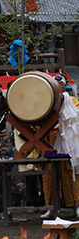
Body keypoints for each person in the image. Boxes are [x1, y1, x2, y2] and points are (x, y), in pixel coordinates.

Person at [41, 74, 79, 218]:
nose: (58, 86)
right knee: (49, 175)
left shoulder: (72, 100)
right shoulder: (46, 100)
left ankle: (76, 204)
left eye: (60, 84)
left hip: (67, 141)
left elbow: (76, 117)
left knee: (71, 172)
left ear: (64, 86)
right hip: (50, 140)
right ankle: (51, 207)